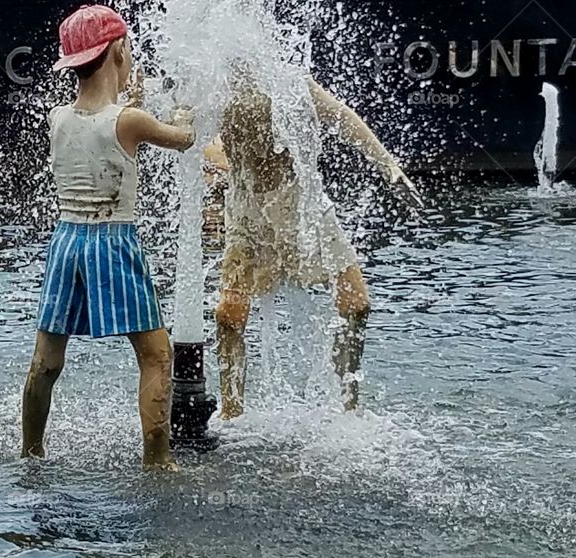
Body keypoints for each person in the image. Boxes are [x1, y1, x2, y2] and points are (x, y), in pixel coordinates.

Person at [21, 5, 196, 470]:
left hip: (66, 241)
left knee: (47, 361)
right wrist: (186, 113)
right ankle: (158, 461)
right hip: (113, 241)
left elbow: (101, 118)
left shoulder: (58, 117)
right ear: (118, 51)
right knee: (156, 354)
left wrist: (128, 93)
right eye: (128, 50)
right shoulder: (131, 121)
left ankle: (31, 452)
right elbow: (184, 139)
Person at [207, 70, 422, 419]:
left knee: (357, 304)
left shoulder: (287, 77)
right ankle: (232, 413)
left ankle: (348, 408)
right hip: (248, 208)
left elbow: (340, 115)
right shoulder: (215, 79)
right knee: (229, 315)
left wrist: (388, 166)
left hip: (302, 204)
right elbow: (189, 129)